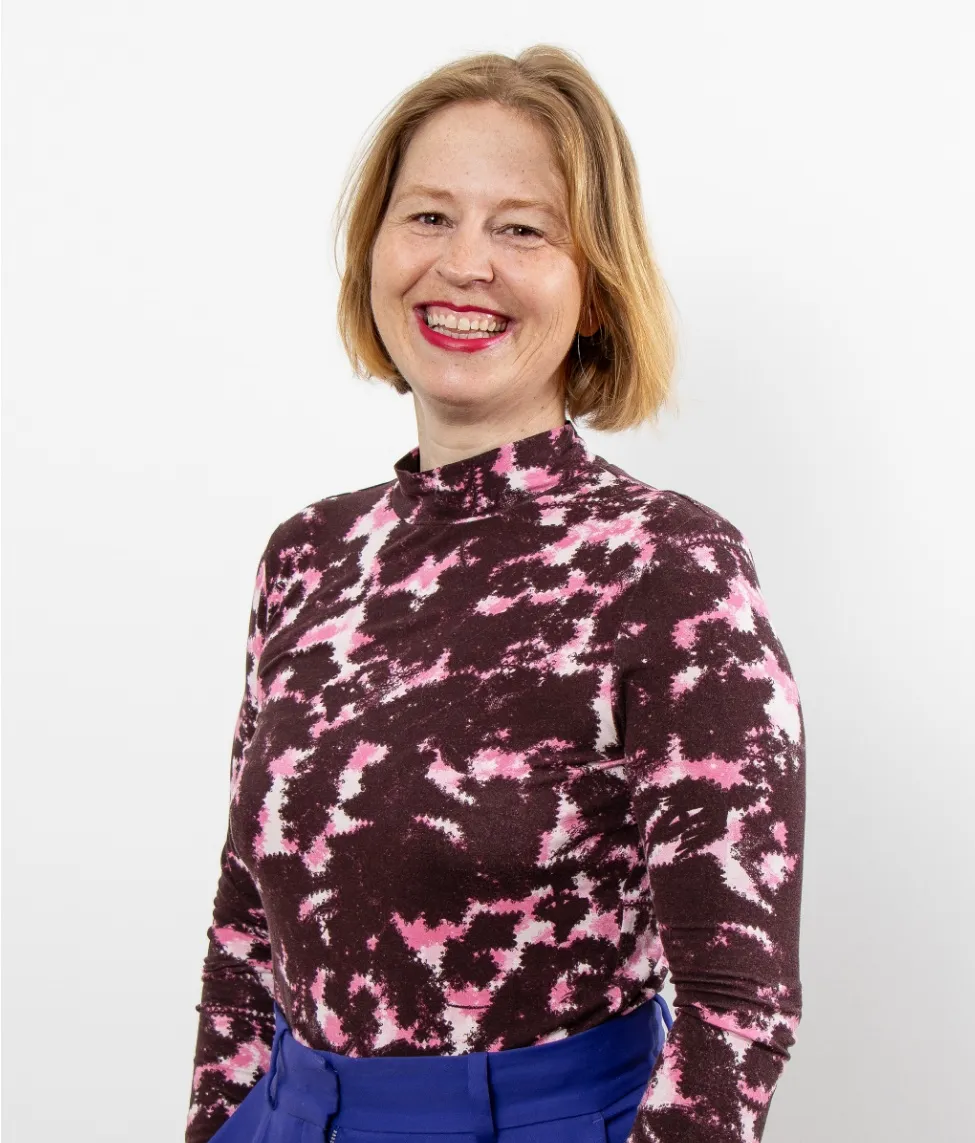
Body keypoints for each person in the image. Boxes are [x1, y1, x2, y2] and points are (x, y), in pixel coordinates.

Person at [185, 43, 806, 1143]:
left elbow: (736, 1005)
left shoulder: (667, 567)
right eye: (428, 216)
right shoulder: (309, 556)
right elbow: (246, 926)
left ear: (595, 288)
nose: (463, 263)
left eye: (522, 229)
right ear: (373, 252)